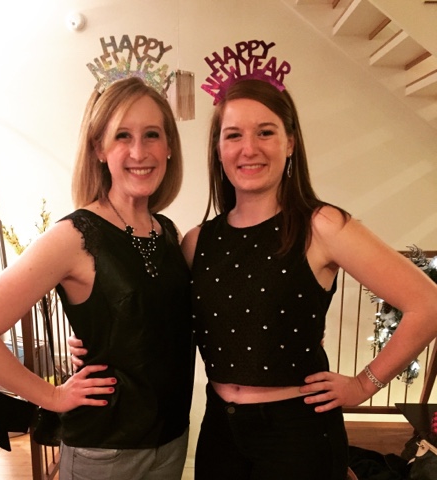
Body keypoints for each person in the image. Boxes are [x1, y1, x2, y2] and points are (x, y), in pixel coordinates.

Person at [178, 42, 437, 480]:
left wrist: (363, 384)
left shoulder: (322, 226)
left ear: (290, 143)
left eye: (265, 132)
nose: (249, 148)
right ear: (218, 149)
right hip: (220, 432)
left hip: (298, 434)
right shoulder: (197, 241)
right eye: (233, 135)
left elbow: (428, 304)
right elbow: (166, 323)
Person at [0, 76, 194, 480]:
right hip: (106, 452)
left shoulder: (168, 233)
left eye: (152, 134)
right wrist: (52, 396)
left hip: (171, 443)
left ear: (169, 145)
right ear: (99, 148)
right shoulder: (76, 235)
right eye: (122, 135)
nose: (139, 151)